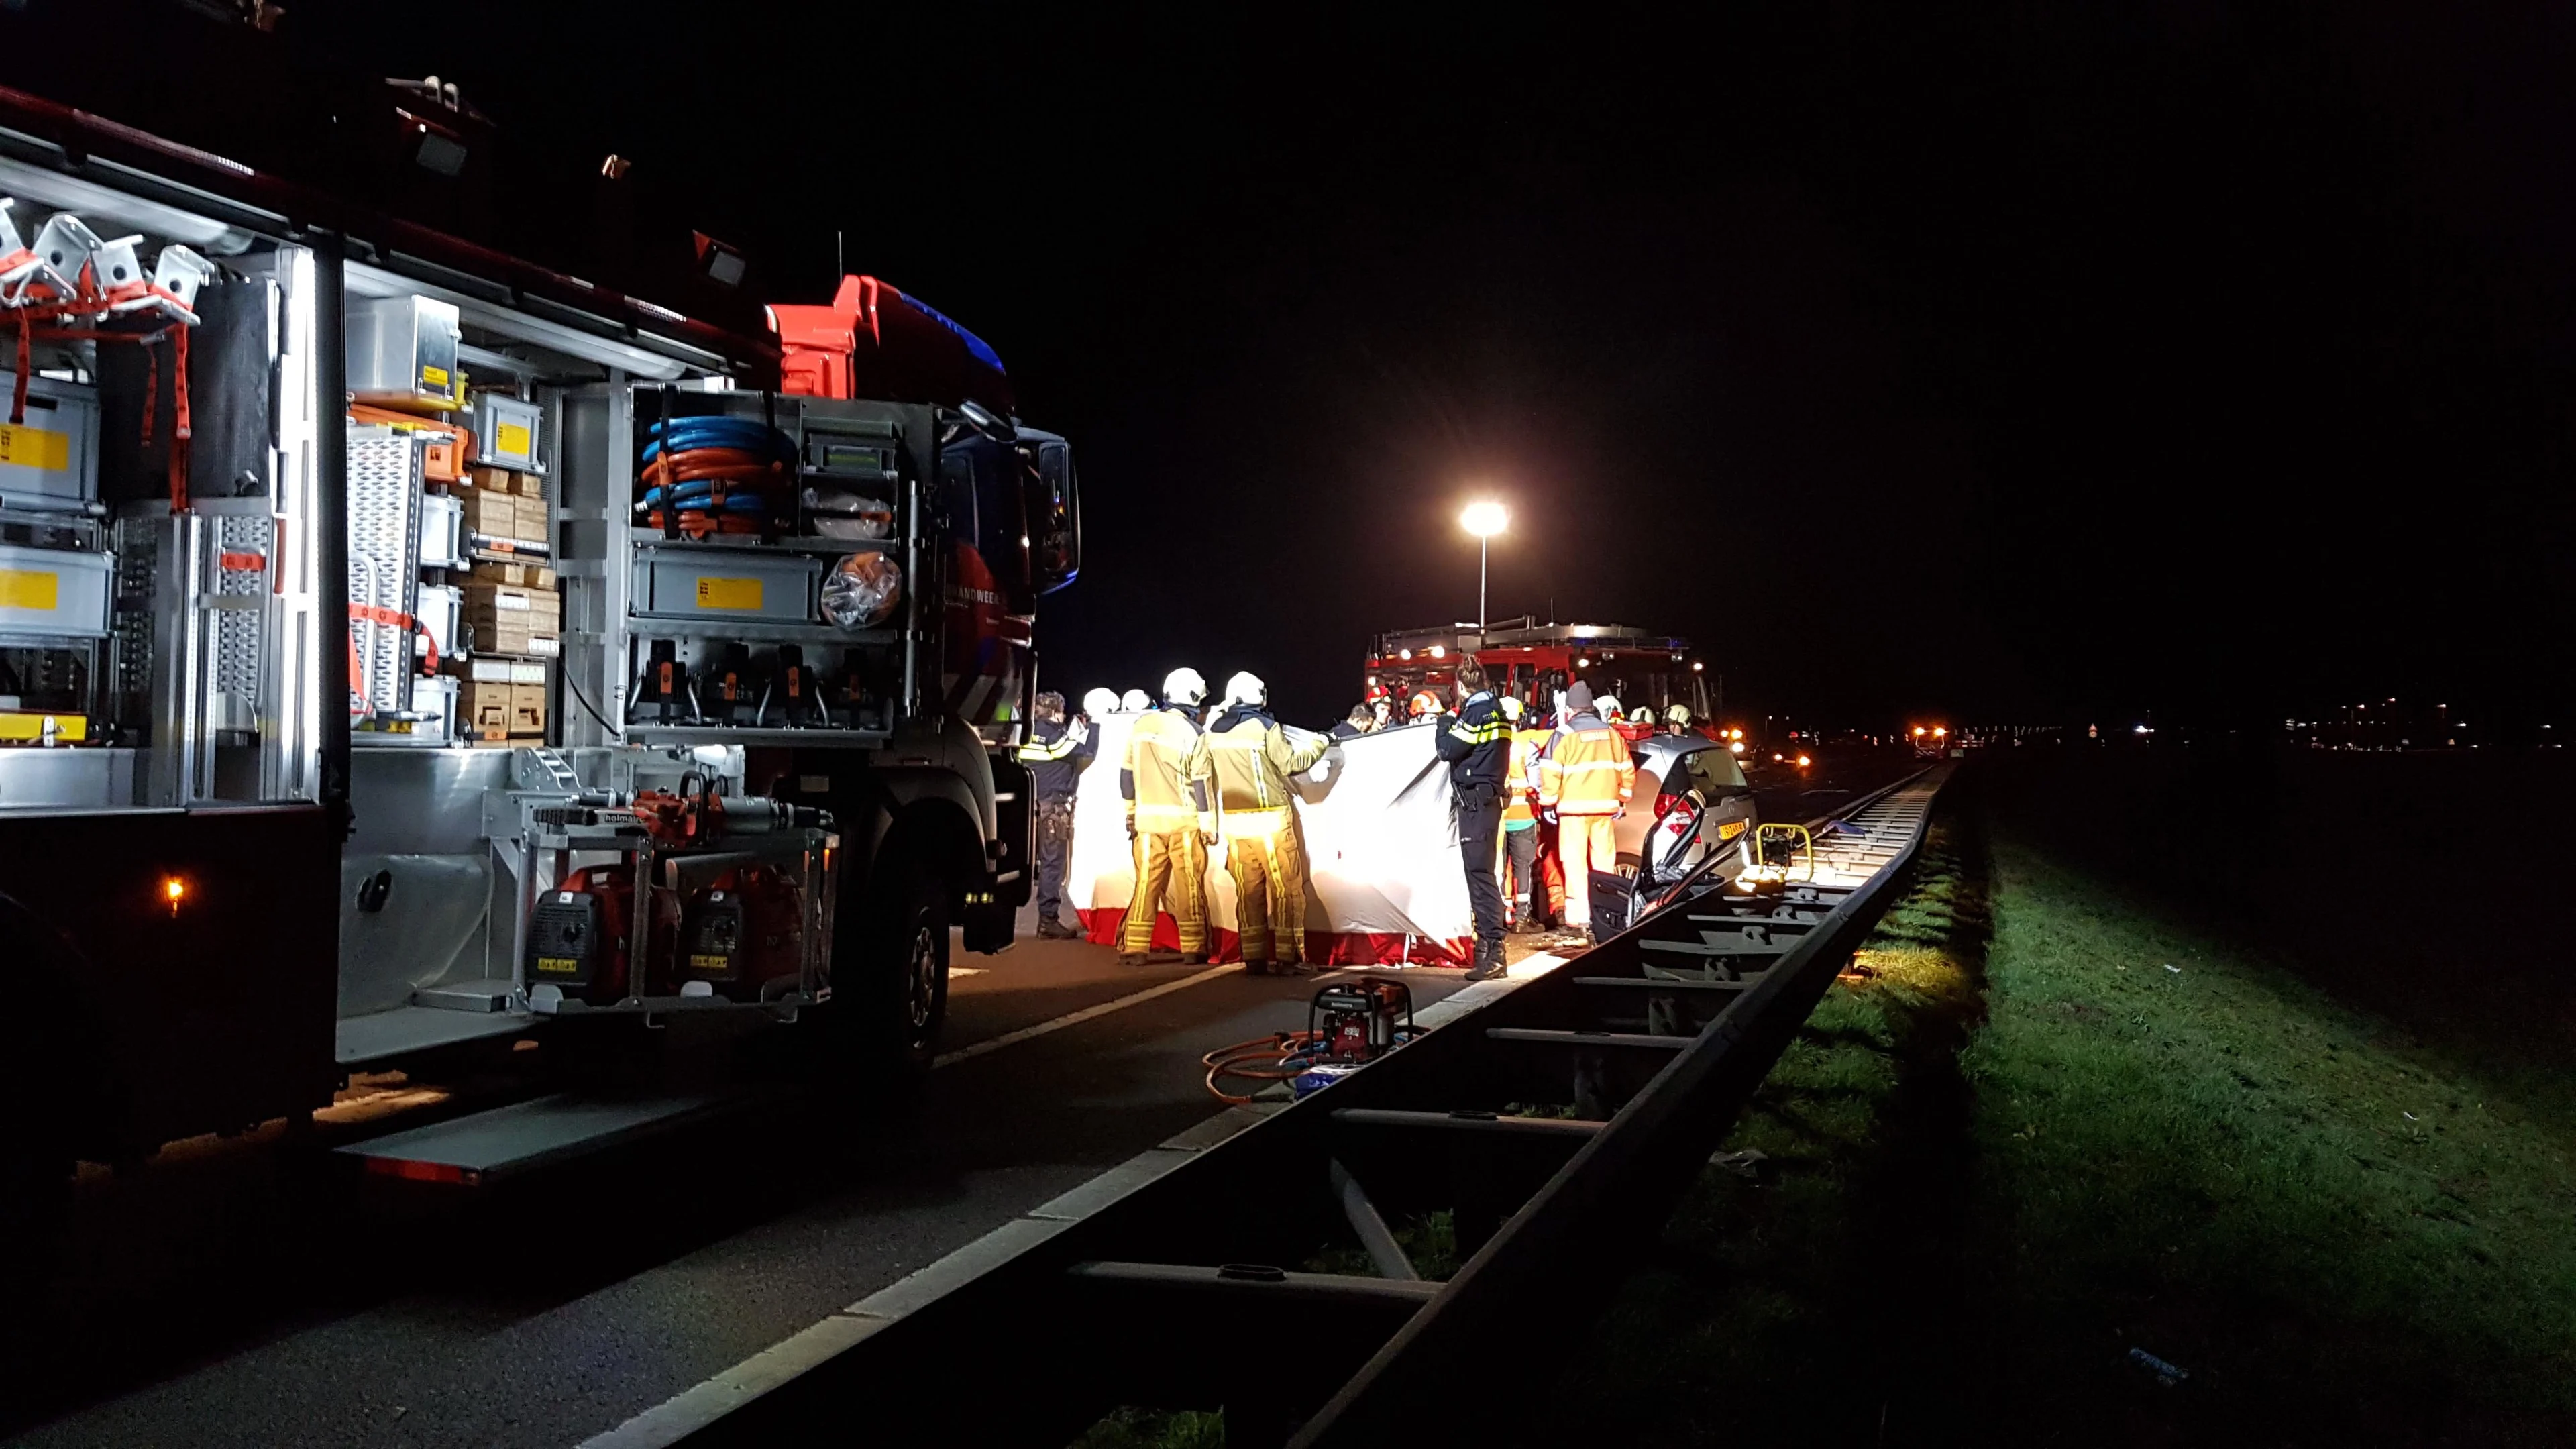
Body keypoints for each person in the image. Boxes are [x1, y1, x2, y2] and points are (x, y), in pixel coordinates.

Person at [1199, 672, 1334, 974]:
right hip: (1272, 822)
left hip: (1236, 827)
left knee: (1249, 893)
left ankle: (1254, 958)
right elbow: (1290, 763)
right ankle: (1289, 959)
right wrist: (1320, 743)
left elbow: (1203, 777)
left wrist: (1208, 821)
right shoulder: (1265, 727)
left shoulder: (1212, 734)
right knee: (1287, 891)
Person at [1120, 668, 1216, 965]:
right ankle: (1193, 948)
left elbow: (1126, 776)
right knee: (1188, 885)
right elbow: (1202, 785)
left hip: (1147, 824)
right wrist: (1209, 825)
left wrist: (1131, 813)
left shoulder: (1141, 726)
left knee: (1146, 883)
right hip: (1184, 824)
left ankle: (1135, 947)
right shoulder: (1194, 734)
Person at [1535, 681, 1635, 945]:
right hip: (1605, 811)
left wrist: (1548, 804)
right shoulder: (1612, 734)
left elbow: (1550, 772)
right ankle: (1607, 916)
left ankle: (1579, 922)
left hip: (1573, 812)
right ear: (1591, 708)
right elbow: (1627, 770)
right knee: (1604, 864)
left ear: (1569, 710)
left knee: (1575, 865)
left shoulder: (1563, 734)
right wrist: (1622, 800)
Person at [1434, 658, 1510, 981]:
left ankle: (1494, 953)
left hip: (1477, 805)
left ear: (1461, 687)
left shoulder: (1476, 713)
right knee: (1482, 874)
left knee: (1480, 876)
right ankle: (1487, 950)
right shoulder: (1498, 711)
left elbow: (1447, 749)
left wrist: (1442, 722)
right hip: (1487, 801)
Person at [1015, 691, 1093, 939]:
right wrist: (1096, 727)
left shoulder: (1026, 732)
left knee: (1027, 863)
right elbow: (1086, 753)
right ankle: (1048, 921)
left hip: (1029, 808)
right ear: (1053, 712)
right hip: (1052, 809)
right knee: (1052, 866)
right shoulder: (1052, 734)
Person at [1500, 695, 1544, 931]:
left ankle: (1500, 915)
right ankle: (1522, 918)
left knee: (1498, 867)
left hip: (1497, 817)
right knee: (1522, 868)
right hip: (1523, 815)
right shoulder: (1528, 743)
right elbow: (1538, 781)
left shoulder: (1492, 741)